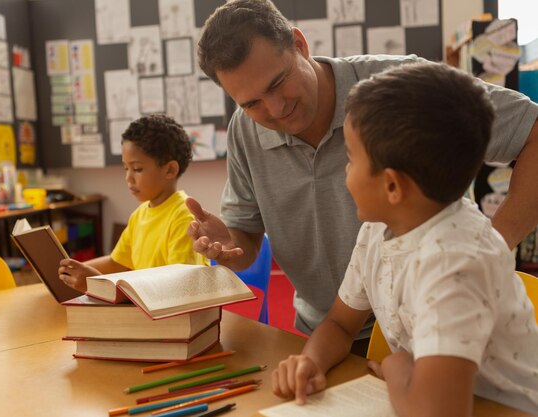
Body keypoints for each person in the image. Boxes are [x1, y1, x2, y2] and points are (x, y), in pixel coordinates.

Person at [186, 0, 538, 344]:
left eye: (278, 83)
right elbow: (245, 239)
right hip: (326, 331)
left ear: (299, 45)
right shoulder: (243, 130)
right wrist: (231, 243)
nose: (276, 109)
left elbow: (533, 130)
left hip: (432, 323)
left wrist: (494, 244)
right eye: (252, 103)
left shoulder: (401, 88)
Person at [271, 62, 538, 416]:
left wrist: (398, 369)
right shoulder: (379, 229)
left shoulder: (453, 265)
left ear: (393, 186)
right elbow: (339, 323)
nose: (346, 172)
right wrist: (311, 361)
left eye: (351, 159)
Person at [59, 114, 208, 295]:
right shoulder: (139, 215)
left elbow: (179, 288)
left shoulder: (184, 218)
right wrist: (72, 270)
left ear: (169, 169)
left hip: (171, 316)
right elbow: (117, 263)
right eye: (126, 168)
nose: (128, 178)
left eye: (137, 169)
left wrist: (95, 285)